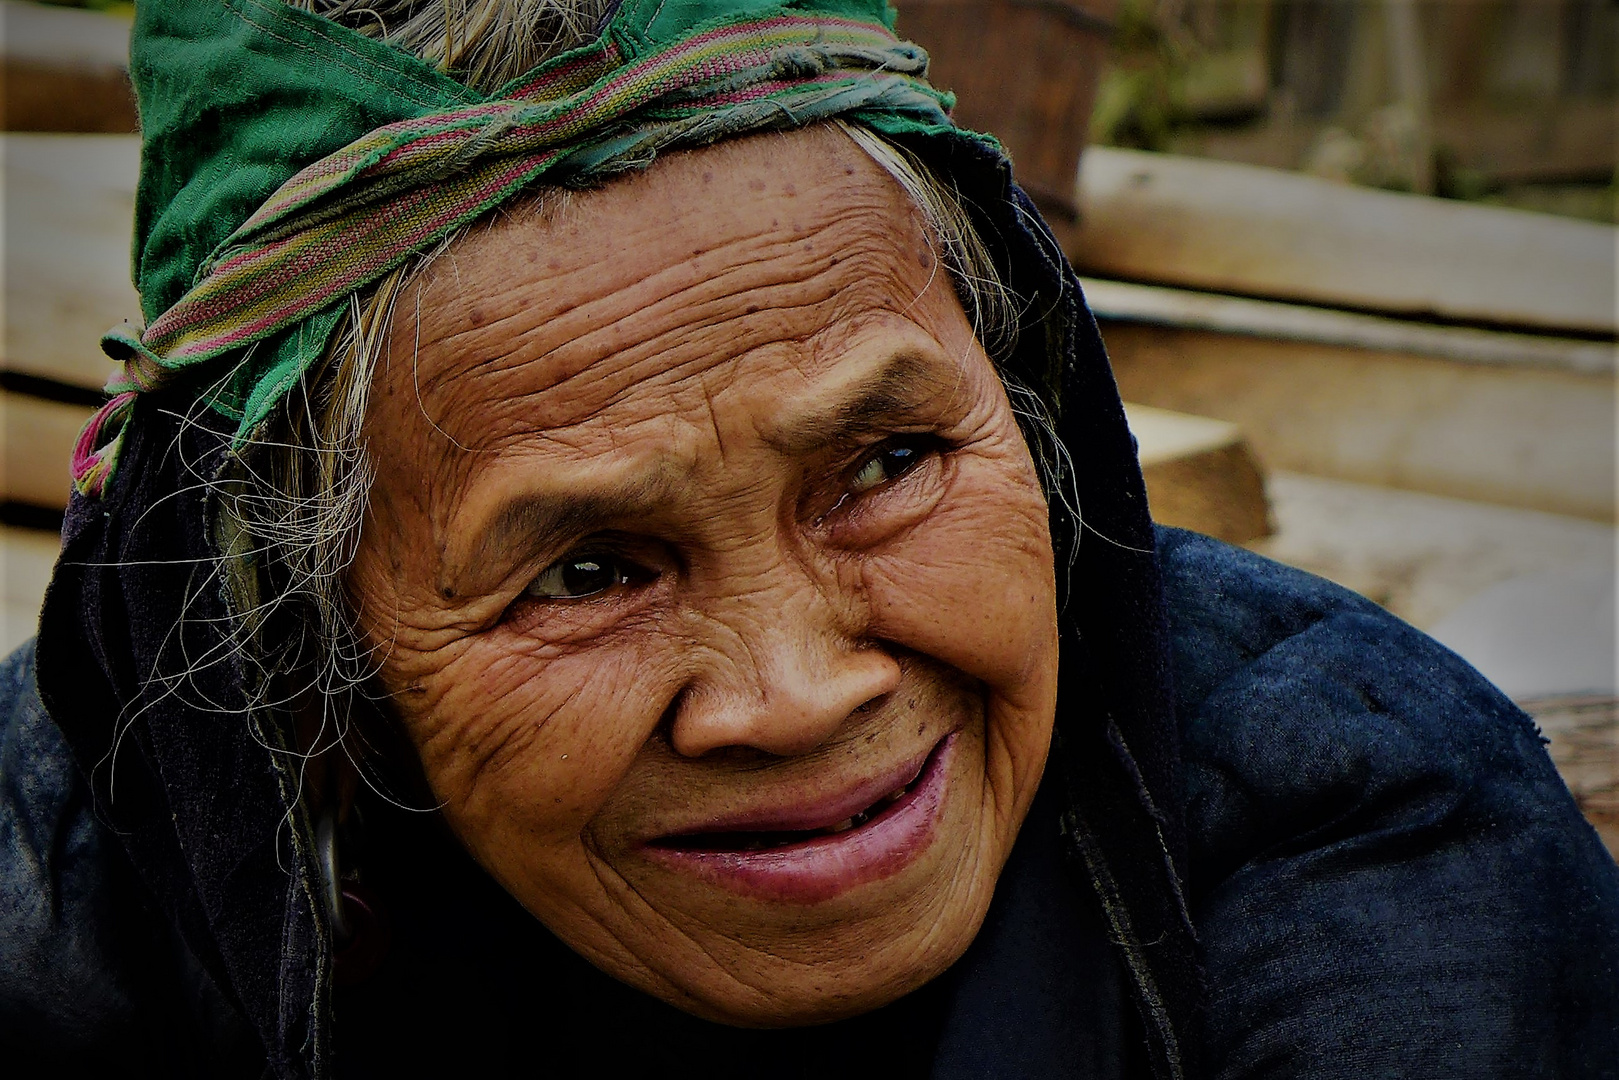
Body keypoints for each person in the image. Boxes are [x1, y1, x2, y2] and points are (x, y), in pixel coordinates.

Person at [2, 1, 1615, 1077]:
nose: (792, 692)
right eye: (585, 569)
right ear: (307, 636)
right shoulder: (79, 881)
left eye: (889, 463)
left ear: (1025, 399)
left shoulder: (1373, 849)